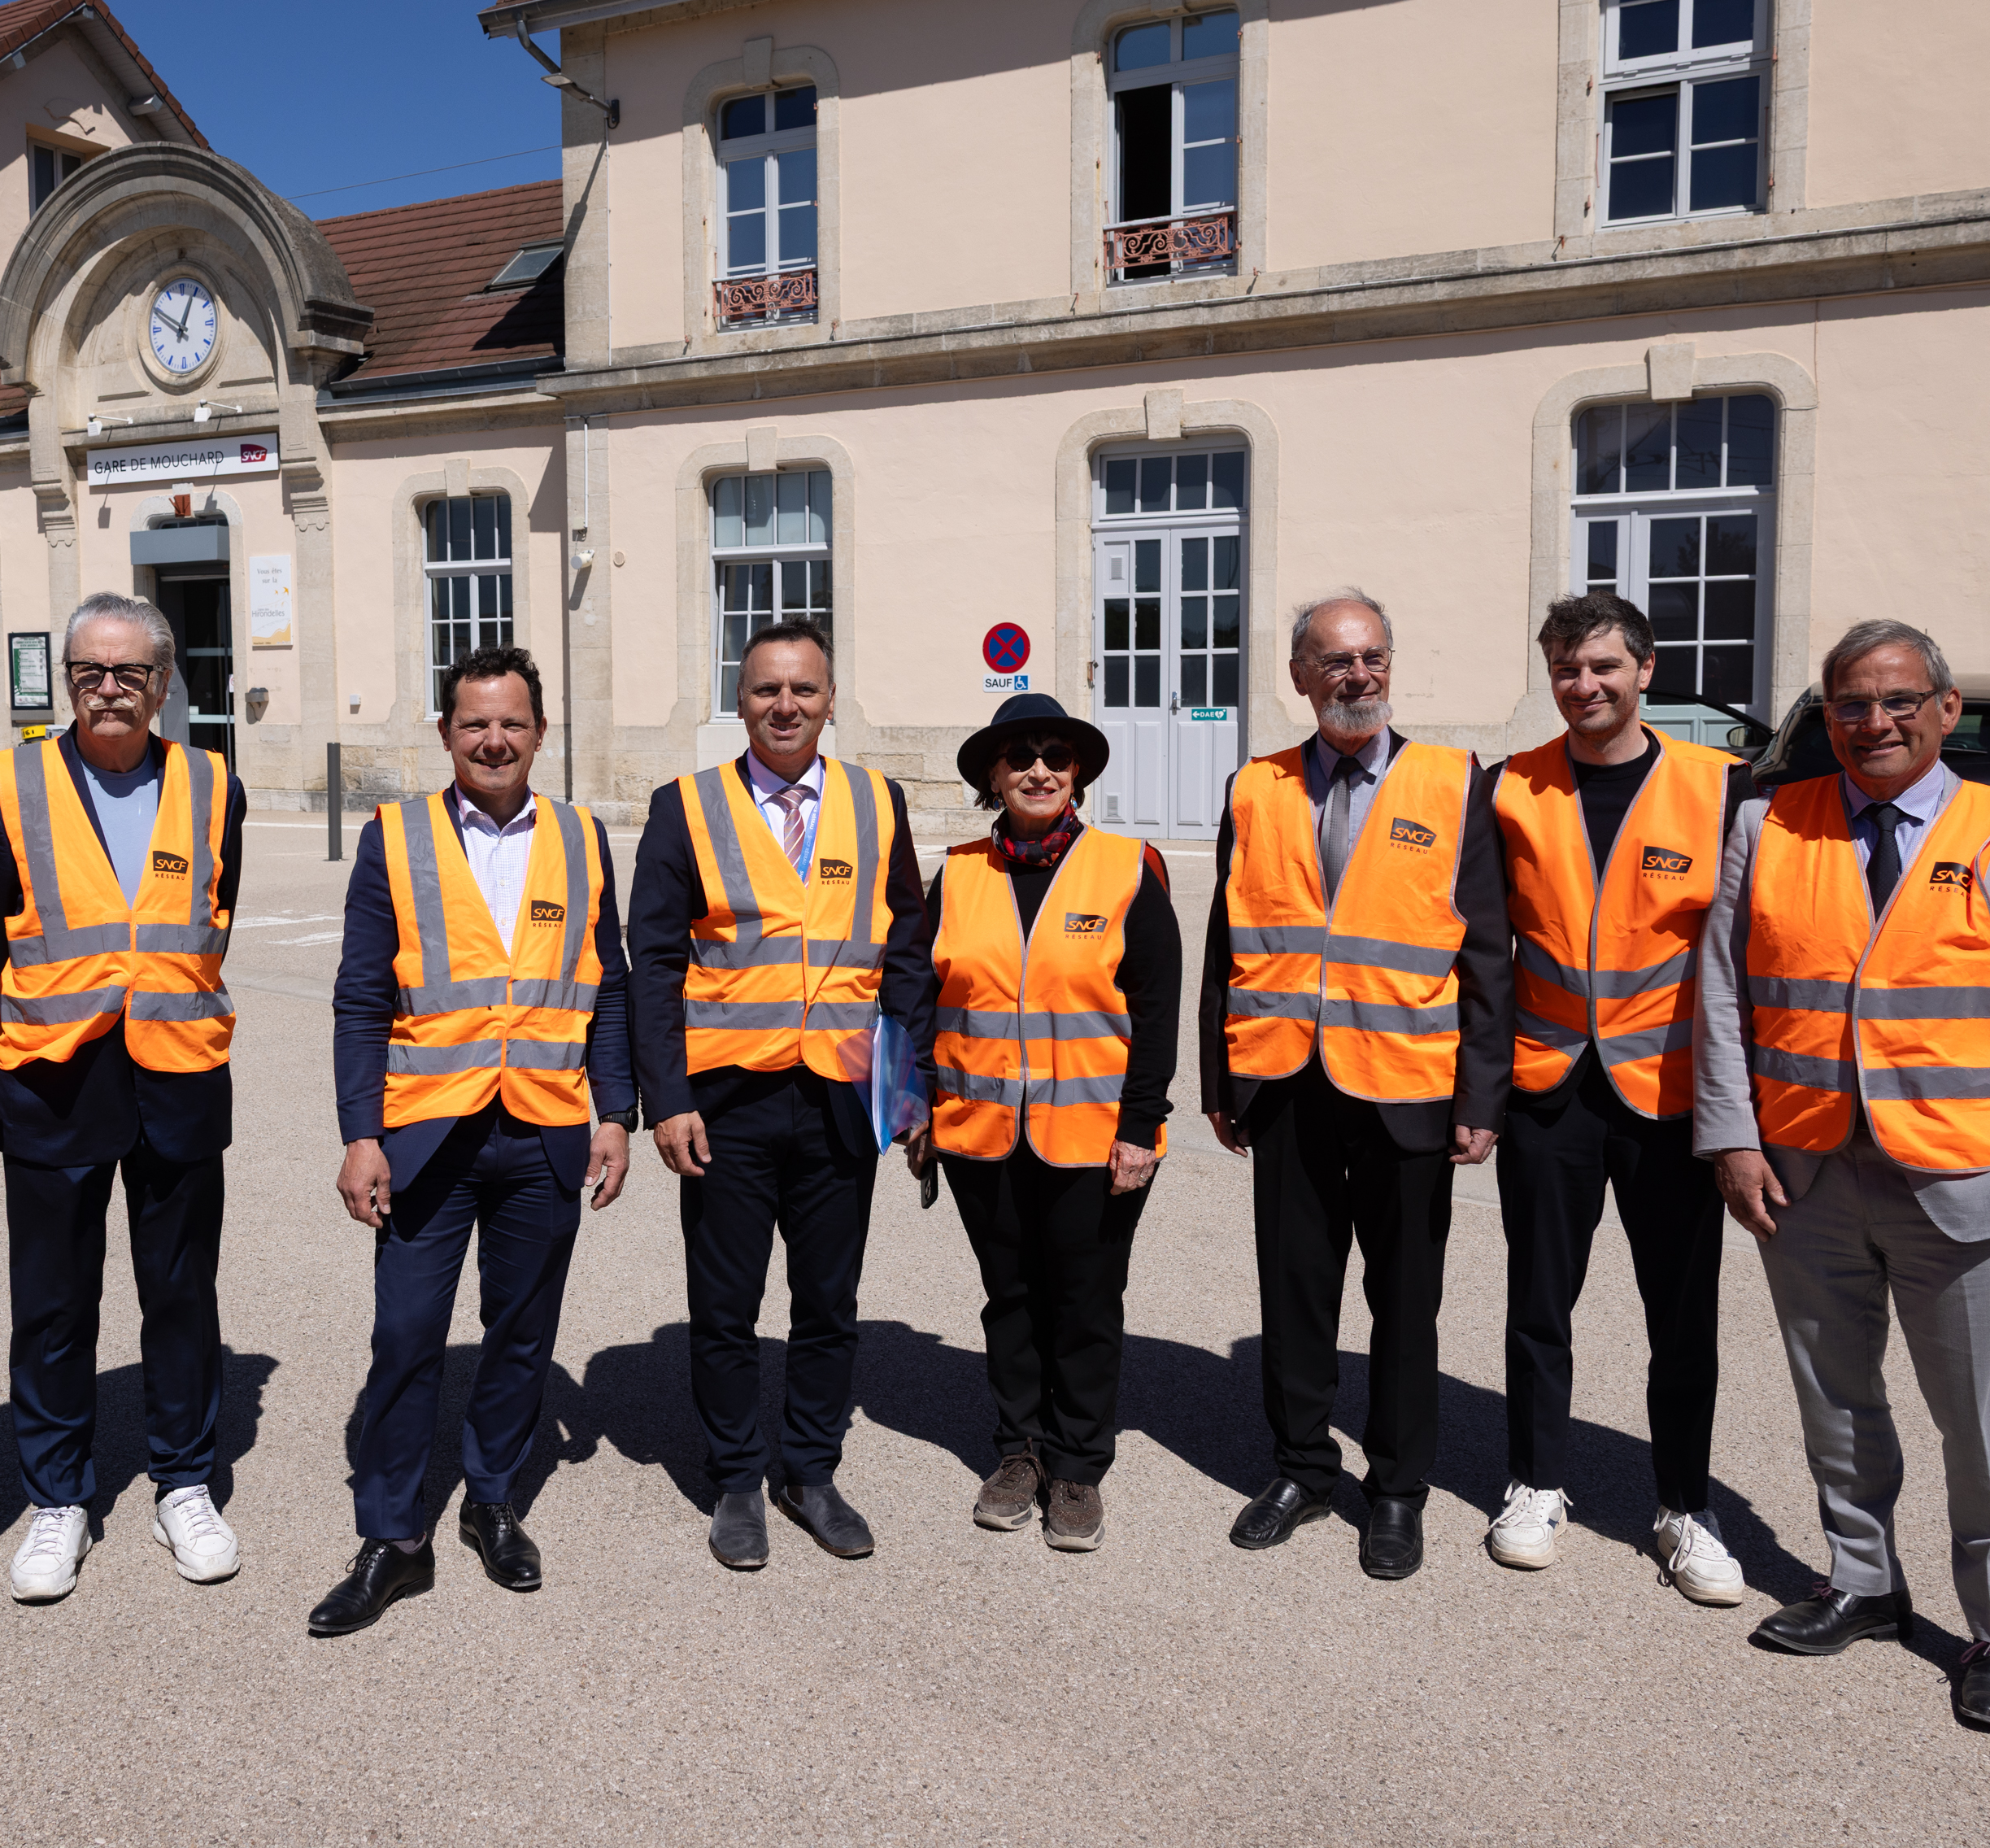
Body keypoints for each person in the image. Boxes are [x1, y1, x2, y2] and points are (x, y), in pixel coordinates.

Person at [1697, 619, 1990, 1733]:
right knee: (1834, 1401)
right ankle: (1862, 1581)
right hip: (1805, 1174)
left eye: (1894, 701)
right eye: (1847, 705)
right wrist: (1732, 1137)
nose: (1871, 723)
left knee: (1979, 1424)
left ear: (1944, 707)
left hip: (1964, 1185)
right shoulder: (1768, 824)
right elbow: (1722, 994)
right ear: (1824, 717)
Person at [311, 645, 636, 1634]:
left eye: (512, 723)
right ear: (446, 733)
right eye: (473, 724)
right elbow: (361, 996)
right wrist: (359, 1132)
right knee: (406, 1335)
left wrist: (615, 1111)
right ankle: (394, 1534)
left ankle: (492, 1497)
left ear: (540, 732)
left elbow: (608, 984)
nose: (493, 739)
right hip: (427, 1133)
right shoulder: (394, 837)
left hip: (544, 1124)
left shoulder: (582, 839)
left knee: (520, 1330)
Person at [1200, 589, 1510, 1581]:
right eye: (1334, 660)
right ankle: (1300, 1467)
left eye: (1371, 656)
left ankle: (1397, 1490)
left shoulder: (1451, 781)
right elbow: (1227, 937)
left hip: (1406, 1085)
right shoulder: (1255, 787)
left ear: (1391, 664)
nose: (1357, 675)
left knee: (1403, 1300)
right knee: (1294, 1294)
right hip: (1285, 1080)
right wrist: (1220, 1075)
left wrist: (1480, 1098)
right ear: (1299, 676)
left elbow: (1488, 956)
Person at [629, 620, 933, 1569]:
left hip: (840, 1098)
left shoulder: (878, 802)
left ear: (830, 699)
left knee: (827, 1299)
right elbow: (653, 966)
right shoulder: (685, 806)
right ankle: (733, 1476)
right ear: (740, 697)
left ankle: (808, 1469)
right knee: (725, 1304)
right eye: (765, 689)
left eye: (803, 689)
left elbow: (909, 953)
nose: (785, 706)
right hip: (725, 1103)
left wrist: (907, 1076)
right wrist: (666, 1097)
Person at [0, 592, 249, 1602]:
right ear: (66, 680)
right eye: (90, 671)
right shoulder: (3, 788)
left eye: (131, 672)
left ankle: (183, 1479)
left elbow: (212, 918)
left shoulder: (216, 785)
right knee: (52, 1304)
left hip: (177, 1074)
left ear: (165, 683)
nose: (110, 688)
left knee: (180, 1295)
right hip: (54, 1079)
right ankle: (57, 1498)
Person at [1483, 594, 1751, 1602]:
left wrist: (1745, 1110)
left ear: (1644, 669)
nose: (1582, 685)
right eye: (1564, 668)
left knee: (1680, 1316)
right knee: (1538, 1303)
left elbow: (1747, 961)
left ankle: (1685, 1504)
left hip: (1669, 1094)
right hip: (1548, 1086)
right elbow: (1480, 947)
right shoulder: (1508, 789)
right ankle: (1535, 1480)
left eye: (1600, 665)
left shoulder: (1719, 787)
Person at [904, 693, 1180, 1554]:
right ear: (992, 775)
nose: (1037, 769)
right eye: (1019, 755)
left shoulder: (1128, 866)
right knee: (1011, 1297)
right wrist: (917, 1104)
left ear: (1077, 774)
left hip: (1095, 1139)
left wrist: (1141, 1123)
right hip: (980, 1132)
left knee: (1085, 1301)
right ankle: (1017, 1450)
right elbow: (915, 997)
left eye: (1055, 756)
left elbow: (1158, 1007)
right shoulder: (956, 874)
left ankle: (1077, 1466)